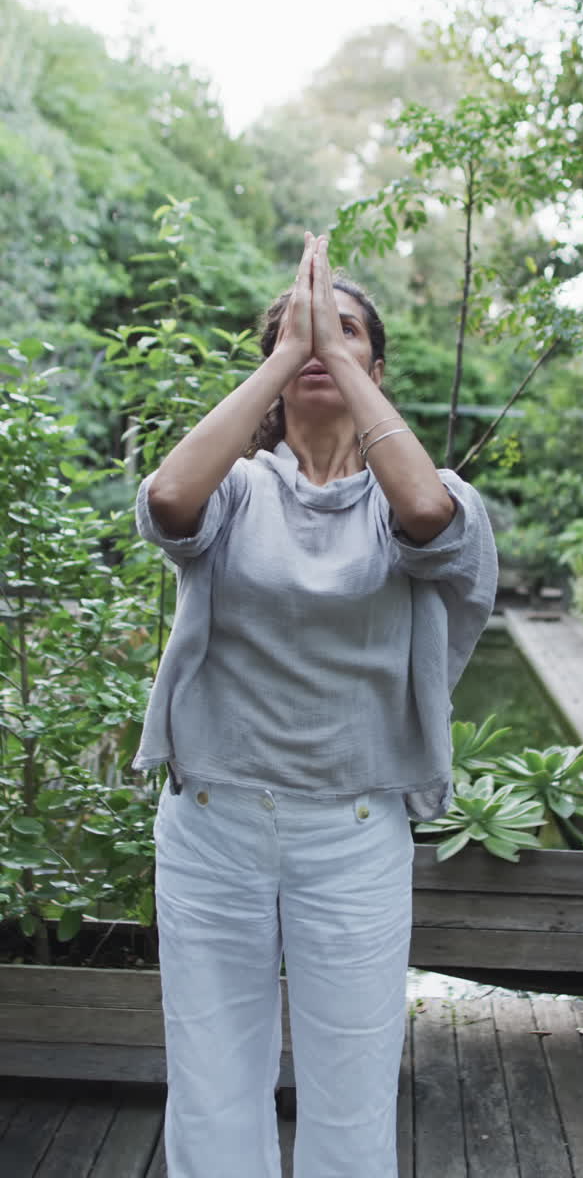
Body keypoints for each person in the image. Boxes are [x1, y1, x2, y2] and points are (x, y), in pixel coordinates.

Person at [133, 232, 498, 1178]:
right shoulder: (237, 493)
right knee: (211, 1079)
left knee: (353, 1082)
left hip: (354, 827)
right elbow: (170, 499)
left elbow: (427, 521)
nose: (321, 347)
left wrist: (327, 346)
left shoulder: (416, 499)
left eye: (347, 336)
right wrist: (295, 349)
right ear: (277, 368)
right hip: (212, 823)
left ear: (375, 368)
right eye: (299, 334)